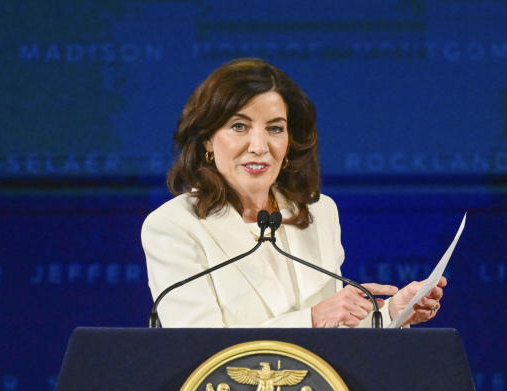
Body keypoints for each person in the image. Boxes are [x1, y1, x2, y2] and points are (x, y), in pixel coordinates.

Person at [142, 58, 445, 328]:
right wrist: (311, 319)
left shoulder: (317, 213)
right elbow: (199, 349)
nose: (259, 146)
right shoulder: (172, 226)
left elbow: (333, 333)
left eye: (275, 129)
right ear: (207, 139)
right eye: (239, 126)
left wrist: (391, 313)